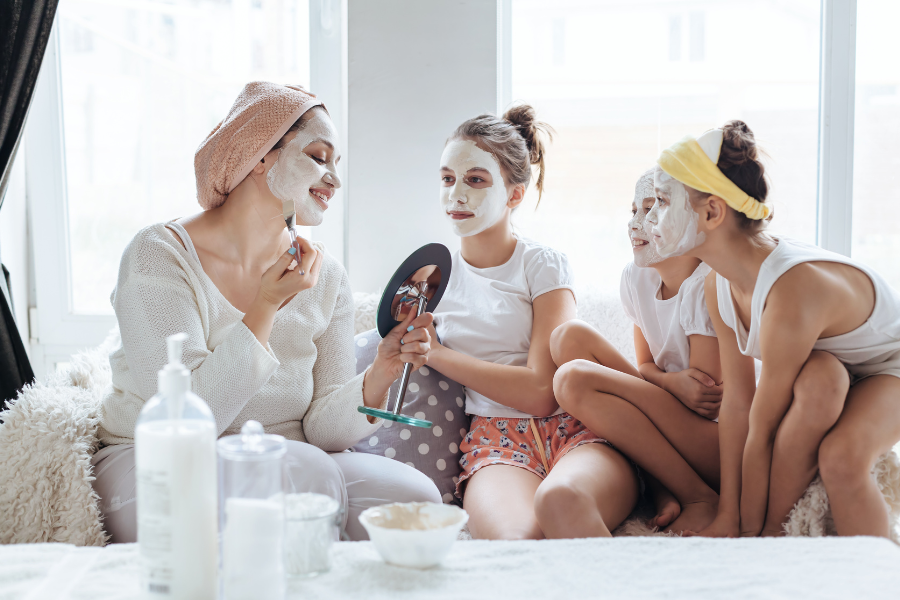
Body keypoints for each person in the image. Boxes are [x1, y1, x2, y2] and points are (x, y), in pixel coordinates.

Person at [92, 82, 440, 543]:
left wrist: (382, 370)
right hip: (157, 461)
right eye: (319, 156)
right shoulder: (158, 254)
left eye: (337, 164)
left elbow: (323, 431)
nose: (334, 179)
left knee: (417, 501)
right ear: (260, 156)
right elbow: (188, 420)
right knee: (302, 474)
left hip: (293, 459)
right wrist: (265, 306)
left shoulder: (326, 277)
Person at [653, 120, 900, 539]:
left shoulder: (790, 293)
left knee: (841, 457)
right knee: (821, 375)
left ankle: (860, 570)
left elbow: (762, 429)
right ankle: (758, 530)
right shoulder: (717, 283)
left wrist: (755, 535)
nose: (653, 217)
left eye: (662, 201)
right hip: (831, 366)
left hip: (888, 370)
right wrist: (729, 518)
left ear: (712, 211)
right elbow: (738, 407)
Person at [428, 105, 639, 540]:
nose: (457, 195)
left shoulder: (541, 265)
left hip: (575, 430)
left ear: (515, 195)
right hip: (495, 442)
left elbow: (543, 393)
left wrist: (438, 355)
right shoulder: (433, 276)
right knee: (516, 545)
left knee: (563, 501)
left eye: (475, 180)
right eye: (448, 179)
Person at [550, 167, 721, 533]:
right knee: (567, 338)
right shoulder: (637, 278)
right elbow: (644, 365)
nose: (635, 224)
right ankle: (658, 480)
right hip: (672, 407)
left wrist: (665, 384)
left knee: (572, 381)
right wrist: (671, 383)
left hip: (716, 441)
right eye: (633, 211)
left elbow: (707, 402)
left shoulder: (706, 286)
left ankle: (698, 496)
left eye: (652, 208)